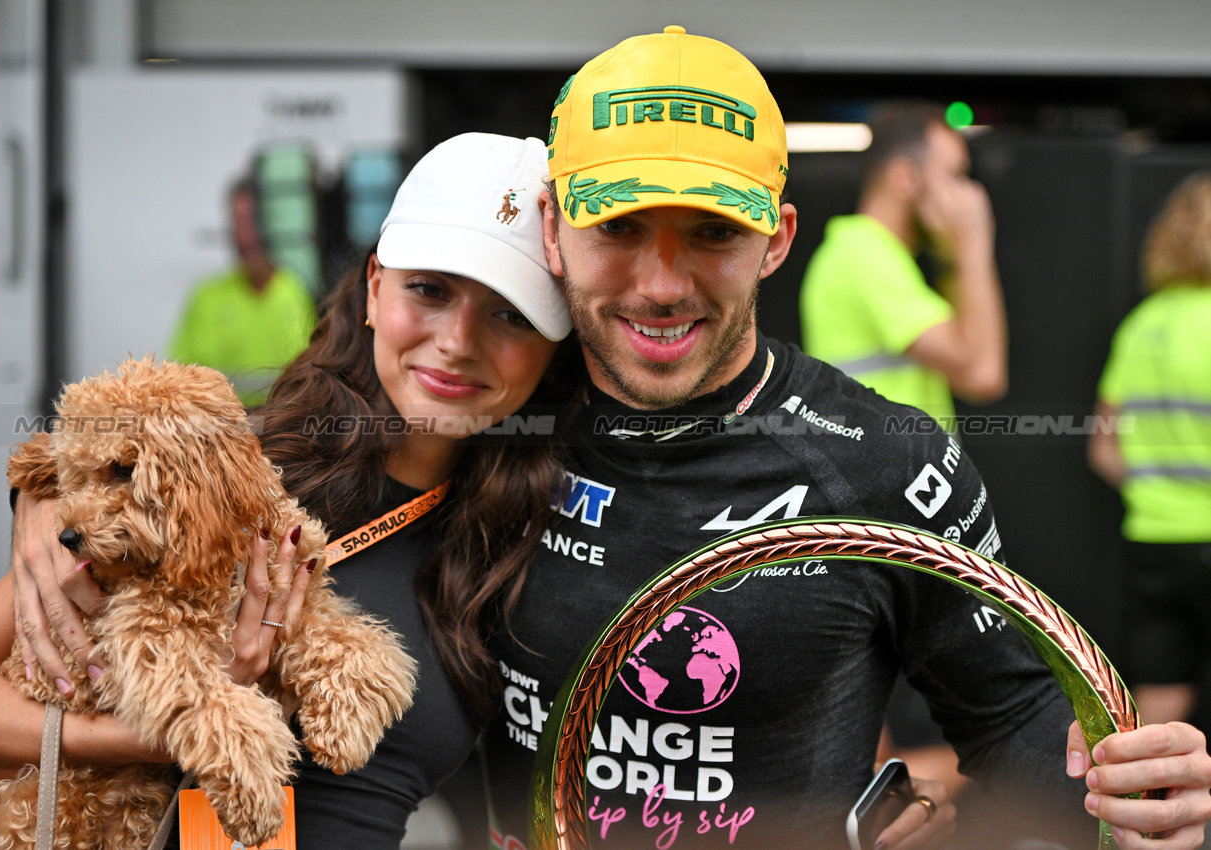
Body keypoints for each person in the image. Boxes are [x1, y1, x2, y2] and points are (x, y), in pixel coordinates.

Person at [477, 26, 1211, 850]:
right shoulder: (483, 428)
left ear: (775, 240)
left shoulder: (888, 461)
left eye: (714, 232)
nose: (661, 284)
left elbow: (1011, 713)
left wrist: (1138, 794)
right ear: (550, 228)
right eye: (617, 227)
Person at [0, 132, 581, 849]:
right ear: (374, 288)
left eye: (510, 314)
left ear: (557, 342)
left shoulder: (546, 532)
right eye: (428, 289)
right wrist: (151, 733)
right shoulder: (212, 477)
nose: (457, 340)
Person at [1088, 171, 1211, 733]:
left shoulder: (1141, 327)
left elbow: (1104, 448)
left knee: (1160, 695)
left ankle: (1142, 818)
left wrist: (1156, 491)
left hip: (1152, 541)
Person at [799, 101, 1008, 425]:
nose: (967, 196)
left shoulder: (872, 254)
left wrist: (954, 257)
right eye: (955, 175)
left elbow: (970, 369)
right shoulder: (864, 255)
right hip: (881, 473)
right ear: (905, 178)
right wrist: (974, 245)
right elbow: (983, 374)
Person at [168, 179, 317, 407]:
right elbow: (174, 381)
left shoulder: (301, 296)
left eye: (252, 222)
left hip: (284, 436)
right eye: (237, 223)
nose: (244, 237)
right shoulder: (205, 298)